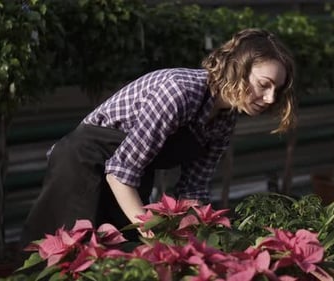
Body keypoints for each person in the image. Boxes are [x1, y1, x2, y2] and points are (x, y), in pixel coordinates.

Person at [18, 28, 297, 248]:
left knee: (121, 254)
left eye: (277, 90)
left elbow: (194, 190)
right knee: (69, 254)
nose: (270, 98)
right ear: (238, 67)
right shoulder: (178, 91)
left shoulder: (225, 119)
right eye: (264, 85)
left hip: (129, 175)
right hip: (83, 163)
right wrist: (156, 235)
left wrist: (205, 242)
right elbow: (120, 172)